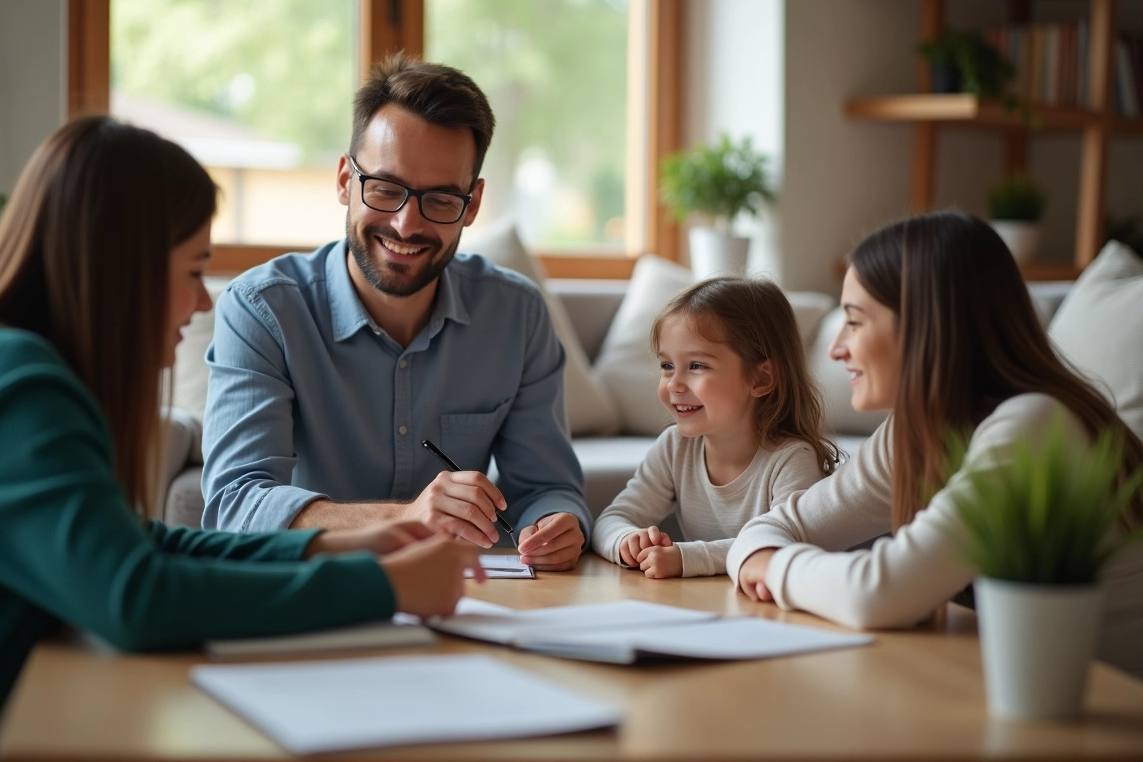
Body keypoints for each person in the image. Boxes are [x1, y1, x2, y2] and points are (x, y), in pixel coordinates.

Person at [0, 116, 483, 759]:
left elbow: (138, 543)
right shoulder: (13, 390)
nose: (201, 304)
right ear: (121, 268)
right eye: (193, 271)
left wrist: (332, 549)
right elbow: (136, 596)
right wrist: (386, 588)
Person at [200, 53, 590, 570]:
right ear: (345, 181)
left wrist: (556, 523)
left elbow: (546, 486)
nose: (407, 225)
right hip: (310, 591)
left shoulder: (517, 314)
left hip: (462, 598)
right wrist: (406, 516)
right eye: (384, 190)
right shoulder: (261, 309)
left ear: (472, 205)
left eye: (441, 200)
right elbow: (236, 505)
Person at [728, 211, 1143, 677]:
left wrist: (774, 569)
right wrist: (763, 555)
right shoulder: (914, 431)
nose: (835, 347)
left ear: (925, 325)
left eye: (855, 321)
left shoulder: (1035, 427)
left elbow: (880, 593)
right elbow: (771, 528)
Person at [592, 277, 839, 578]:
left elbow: (781, 546)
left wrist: (689, 558)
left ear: (760, 379)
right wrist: (626, 541)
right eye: (667, 365)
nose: (674, 383)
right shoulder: (675, 447)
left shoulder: (792, 459)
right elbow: (613, 519)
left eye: (696, 365)